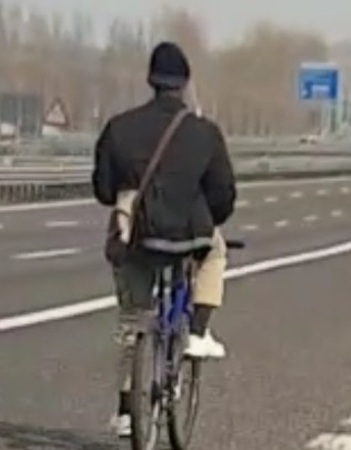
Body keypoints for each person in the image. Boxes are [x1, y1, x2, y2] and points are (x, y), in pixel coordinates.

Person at [91, 41, 237, 436]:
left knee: (132, 318)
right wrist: (207, 218)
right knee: (216, 251)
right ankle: (198, 333)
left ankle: (125, 410)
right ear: (185, 83)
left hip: (136, 238)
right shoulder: (204, 133)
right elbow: (223, 194)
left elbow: (104, 189)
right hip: (189, 237)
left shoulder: (119, 128)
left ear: (150, 80)